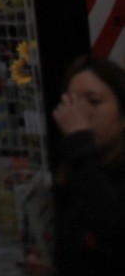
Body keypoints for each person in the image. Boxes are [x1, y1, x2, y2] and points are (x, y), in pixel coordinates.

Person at [52, 54, 125, 273]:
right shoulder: (71, 172)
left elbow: (115, 234)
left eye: (94, 102)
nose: (81, 114)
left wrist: (81, 142)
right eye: (72, 103)